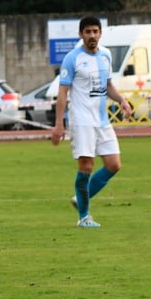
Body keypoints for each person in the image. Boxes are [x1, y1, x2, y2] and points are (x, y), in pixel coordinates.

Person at [51, 17, 133, 227]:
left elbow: (108, 85)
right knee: (86, 167)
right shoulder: (73, 58)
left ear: (100, 33)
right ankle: (84, 217)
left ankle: (79, 199)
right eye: (87, 32)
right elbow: (62, 94)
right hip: (82, 121)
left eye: (95, 31)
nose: (92, 35)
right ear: (81, 35)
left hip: (102, 121)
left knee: (114, 165)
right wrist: (59, 124)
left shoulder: (105, 55)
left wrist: (122, 100)